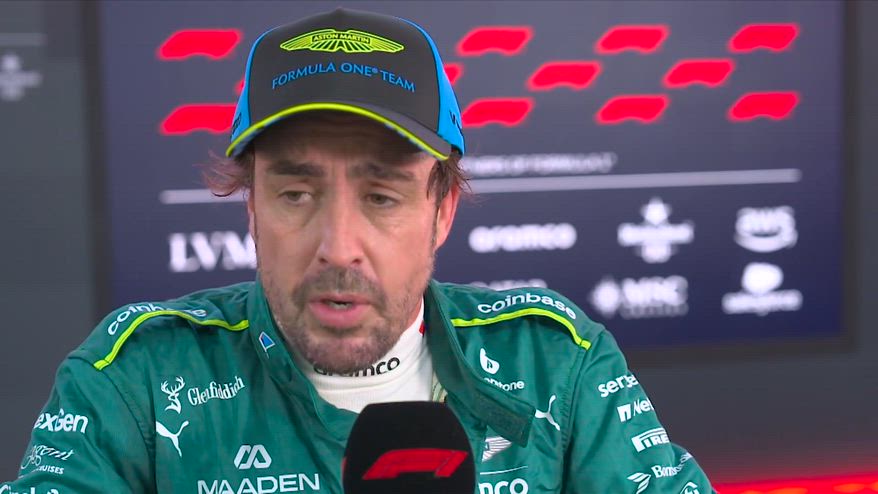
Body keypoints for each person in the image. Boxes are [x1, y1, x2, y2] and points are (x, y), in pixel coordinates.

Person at [4, 7, 715, 493]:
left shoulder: (556, 362)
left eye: (381, 197)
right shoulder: (137, 376)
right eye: (295, 194)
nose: (338, 248)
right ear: (251, 207)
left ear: (442, 211)